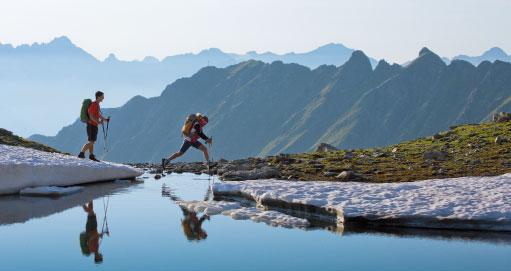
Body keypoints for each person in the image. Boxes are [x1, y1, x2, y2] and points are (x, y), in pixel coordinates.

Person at [78, 91, 109, 162]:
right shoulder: (94, 104)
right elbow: (91, 115)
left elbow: (98, 115)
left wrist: (105, 120)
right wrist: (98, 122)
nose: (103, 98)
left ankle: (91, 155)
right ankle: (81, 153)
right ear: (98, 97)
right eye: (102, 96)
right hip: (91, 125)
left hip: (93, 125)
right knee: (91, 142)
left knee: (92, 141)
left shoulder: (97, 105)